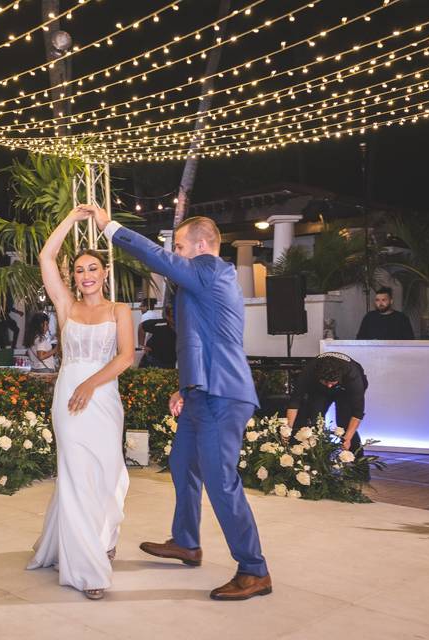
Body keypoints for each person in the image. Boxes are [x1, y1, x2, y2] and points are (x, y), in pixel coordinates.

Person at [88, 204, 271, 602]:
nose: (178, 254)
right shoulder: (200, 282)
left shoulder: (210, 270)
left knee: (221, 482)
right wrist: (183, 387)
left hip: (222, 395)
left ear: (202, 245)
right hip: (201, 392)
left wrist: (111, 227)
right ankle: (187, 542)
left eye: (182, 247)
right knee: (182, 463)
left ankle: (254, 570)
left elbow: (160, 259)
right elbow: (201, 340)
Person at [27, 206, 135, 601]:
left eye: (92, 268)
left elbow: (125, 357)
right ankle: (87, 567)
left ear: (104, 273)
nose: (85, 275)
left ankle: (102, 536)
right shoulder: (66, 307)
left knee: (108, 474)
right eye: (79, 270)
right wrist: (72, 220)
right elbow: (45, 257)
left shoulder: (120, 310)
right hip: (69, 401)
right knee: (75, 478)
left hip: (102, 396)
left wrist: (91, 384)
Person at [286, 352, 368, 456]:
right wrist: (287, 430)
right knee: (314, 421)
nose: (329, 386)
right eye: (326, 382)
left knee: (345, 424)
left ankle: (360, 467)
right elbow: (294, 402)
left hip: (345, 390)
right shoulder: (309, 371)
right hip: (319, 390)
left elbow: (357, 413)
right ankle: (316, 463)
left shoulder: (353, 376)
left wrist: (347, 438)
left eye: (332, 382)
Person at [139, 304, 177, 369]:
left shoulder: (183, 328)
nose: (176, 319)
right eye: (173, 316)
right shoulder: (160, 324)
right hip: (152, 360)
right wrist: (142, 345)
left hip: (170, 362)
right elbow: (142, 327)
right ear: (167, 317)